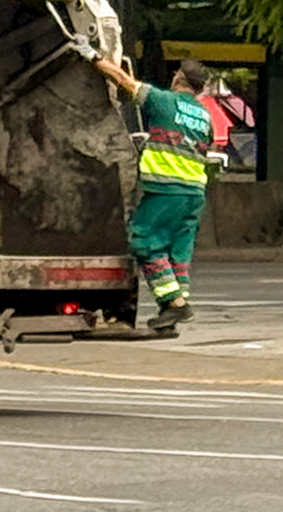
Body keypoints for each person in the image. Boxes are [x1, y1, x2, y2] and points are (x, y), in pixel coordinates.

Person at [91, 54, 214, 335]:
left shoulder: (163, 101)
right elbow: (196, 145)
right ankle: (173, 306)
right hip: (195, 191)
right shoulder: (205, 115)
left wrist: (94, 57)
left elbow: (124, 81)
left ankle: (173, 303)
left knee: (144, 240)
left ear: (179, 79)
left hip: (166, 188)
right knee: (177, 252)